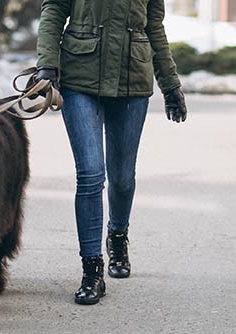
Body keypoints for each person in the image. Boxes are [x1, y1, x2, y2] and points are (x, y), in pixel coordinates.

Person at [36, 0, 187, 305]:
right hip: (79, 78)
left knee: (122, 178)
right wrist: (46, 64)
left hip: (132, 79)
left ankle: (117, 236)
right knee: (91, 174)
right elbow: (53, 11)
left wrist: (170, 85)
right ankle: (92, 270)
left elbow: (154, 26)